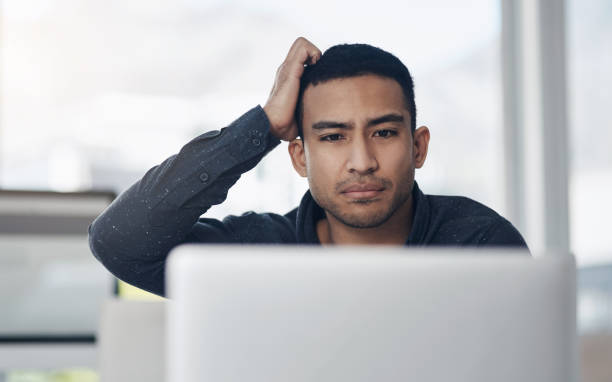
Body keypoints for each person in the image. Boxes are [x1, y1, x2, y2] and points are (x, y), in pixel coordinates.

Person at [89, 37, 528, 297]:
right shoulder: (254, 256)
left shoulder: (479, 242)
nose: (362, 162)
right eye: (333, 137)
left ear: (418, 147)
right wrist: (261, 126)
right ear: (300, 157)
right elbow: (120, 242)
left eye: (384, 133)